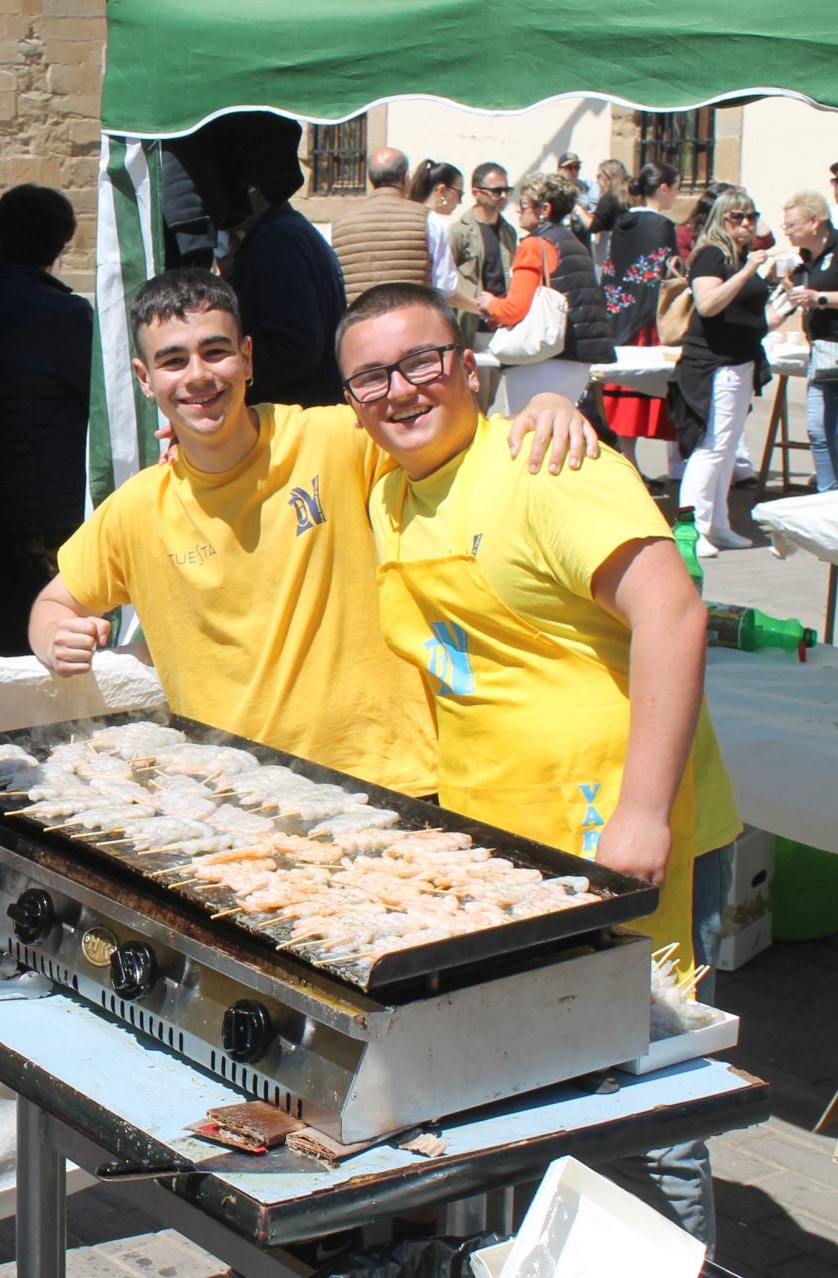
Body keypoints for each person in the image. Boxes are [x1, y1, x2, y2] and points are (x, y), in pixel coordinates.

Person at [336, 281, 740, 1248]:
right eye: (372, 377)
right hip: (508, 840)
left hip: (623, 825)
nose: (400, 390)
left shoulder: (540, 465)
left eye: (423, 362)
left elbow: (674, 614)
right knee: (532, 1080)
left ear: (471, 366)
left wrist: (642, 815)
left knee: (645, 1101)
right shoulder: (388, 481)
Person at [26, 268, 596, 797]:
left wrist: (546, 403)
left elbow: (446, 431)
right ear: (144, 379)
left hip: (392, 780)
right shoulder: (135, 511)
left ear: (247, 359)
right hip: (234, 795)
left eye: (215, 351)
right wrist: (53, 635)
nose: (198, 375)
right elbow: (56, 603)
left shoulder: (334, 439)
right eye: (173, 361)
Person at [0, 184, 91, 655]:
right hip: (46, 502)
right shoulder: (68, 315)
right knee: (42, 618)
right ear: (58, 246)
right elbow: (92, 396)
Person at [672, 188, 776, 555]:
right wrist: (748, 270)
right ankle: (692, 528)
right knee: (710, 448)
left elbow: (749, 316)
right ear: (722, 220)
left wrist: (785, 306)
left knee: (728, 449)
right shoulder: (711, 256)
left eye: (751, 216)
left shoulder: (739, 255)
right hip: (712, 365)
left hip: (740, 362)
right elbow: (709, 304)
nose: (746, 224)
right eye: (737, 217)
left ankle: (717, 524)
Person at [479, 171, 615, 406]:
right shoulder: (574, 243)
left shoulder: (534, 245)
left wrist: (489, 303)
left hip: (543, 360)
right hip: (578, 359)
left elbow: (513, 310)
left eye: (523, 203)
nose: (518, 209)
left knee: (528, 433)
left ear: (544, 209)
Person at [225, 157, 347, 407]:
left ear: (254, 193)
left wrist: (231, 379)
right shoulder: (289, 231)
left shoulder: (275, 239)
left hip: (297, 411)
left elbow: (295, 348)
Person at [600, 162, 682, 484]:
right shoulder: (661, 225)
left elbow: (612, 270)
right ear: (663, 188)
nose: (675, 195)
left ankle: (628, 460)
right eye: (675, 188)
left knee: (621, 392)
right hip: (647, 320)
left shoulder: (624, 220)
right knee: (642, 389)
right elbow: (665, 277)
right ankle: (633, 467)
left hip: (618, 313)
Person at [780, 188, 838, 491]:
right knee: (818, 429)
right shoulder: (805, 258)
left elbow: (820, 297)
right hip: (821, 351)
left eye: (791, 225)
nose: (787, 231)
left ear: (814, 221)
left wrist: (821, 298)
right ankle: (828, 498)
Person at [330, 147, 431, 305]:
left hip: (358, 321)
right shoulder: (427, 218)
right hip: (410, 321)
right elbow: (445, 286)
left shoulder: (339, 223)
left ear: (370, 179)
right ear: (405, 178)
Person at [448, 162, 517, 349]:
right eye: (497, 190)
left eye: (507, 190)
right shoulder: (459, 232)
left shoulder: (509, 232)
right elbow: (445, 281)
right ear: (477, 192)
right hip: (471, 324)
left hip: (503, 324)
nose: (503, 196)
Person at [409, 159, 466, 308]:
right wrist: (483, 308)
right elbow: (445, 287)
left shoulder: (407, 215)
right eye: (460, 193)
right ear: (442, 190)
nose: (459, 202)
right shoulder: (435, 224)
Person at [589, 158, 632, 269]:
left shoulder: (608, 198)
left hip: (610, 251)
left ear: (607, 177)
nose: (597, 181)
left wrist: (578, 209)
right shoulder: (628, 197)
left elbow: (594, 226)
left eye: (598, 176)